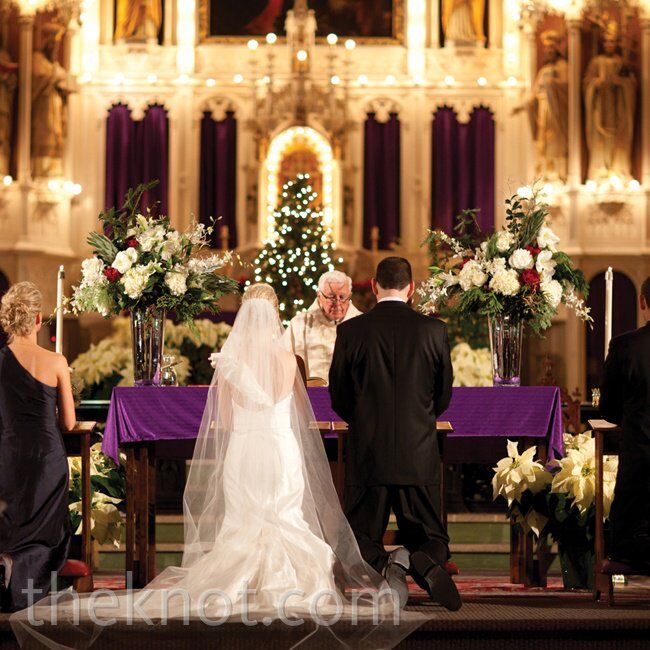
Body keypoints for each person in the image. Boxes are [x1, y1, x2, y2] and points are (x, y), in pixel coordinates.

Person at [329, 257, 460, 610]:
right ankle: (423, 560)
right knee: (433, 537)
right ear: (412, 288)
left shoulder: (351, 331)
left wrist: (362, 421)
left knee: (357, 538)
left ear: (373, 286)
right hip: (418, 453)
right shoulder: (434, 331)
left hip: (368, 453)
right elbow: (443, 395)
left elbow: (337, 395)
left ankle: (389, 564)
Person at [0, 282, 75, 612]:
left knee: (13, 523)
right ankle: (22, 575)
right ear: (38, 319)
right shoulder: (56, 361)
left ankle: (8, 561)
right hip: (48, 460)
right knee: (47, 533)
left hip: (9, 457)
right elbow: (69, 424)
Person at [600, 276, 650, 571]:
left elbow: (607, 409)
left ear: (643, 302)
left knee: (628, 533)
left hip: (640, 461)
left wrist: (629, 420)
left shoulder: (624, 346)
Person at [283, 270, 361, 383]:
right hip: (312, 398)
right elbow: (285, 365)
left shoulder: (361, 324)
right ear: (319, 296)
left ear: (350, 296)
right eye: (331, 297)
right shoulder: (299, 325)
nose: (337, 303)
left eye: (342, 297)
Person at [583, 20, 637, 181]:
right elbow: (586, 83)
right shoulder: (596, 62)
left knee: (618, 139)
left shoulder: (621, 63)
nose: (609, 44)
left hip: (618, 110)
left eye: (612, 41)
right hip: (600, 110)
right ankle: (600, 169)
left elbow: (632, 85)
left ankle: (618, 168)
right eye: (606, 41)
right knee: (600, 139)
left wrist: (620, 83)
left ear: (616, 44)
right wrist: (595, 84)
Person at [513, 30, 568, 182]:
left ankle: (558, 173)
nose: (548, 50)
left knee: (556, 141)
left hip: (557, 111)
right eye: (546, 47)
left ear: (557, 48)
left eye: (551, 47)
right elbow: (534, 94)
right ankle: (545, 173)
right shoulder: (544, 71)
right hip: (544, 110)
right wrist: (522, 106)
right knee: (543, 142)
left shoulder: (563, 66)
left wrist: (553, 84)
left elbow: (567, 88)